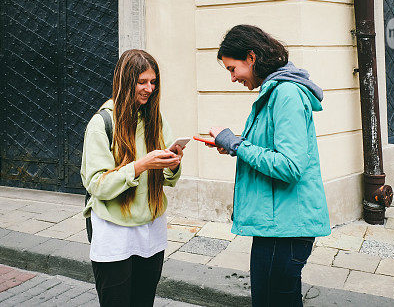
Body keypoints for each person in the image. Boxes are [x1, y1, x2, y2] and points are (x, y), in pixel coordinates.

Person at [209, 24, 331, 307]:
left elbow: (289, 166)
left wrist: (238, 145)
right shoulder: (275, 92)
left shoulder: (285, 94)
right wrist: (232, 144)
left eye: (232, 68)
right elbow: (272, 150)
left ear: (251, 57)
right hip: (278, 225)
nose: (232, 78)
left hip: (285, 229)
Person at [81, 49, 184, 307]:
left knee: (143, 301)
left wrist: (172, 163)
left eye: (153, 82)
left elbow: (169, 179)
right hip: (114, 230)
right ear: (126, 82)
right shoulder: (102, 123)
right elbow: (97, 184)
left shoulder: (155, 119)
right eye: (142, 82)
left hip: (151, 227)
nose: (149, 89)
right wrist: (139, 166)